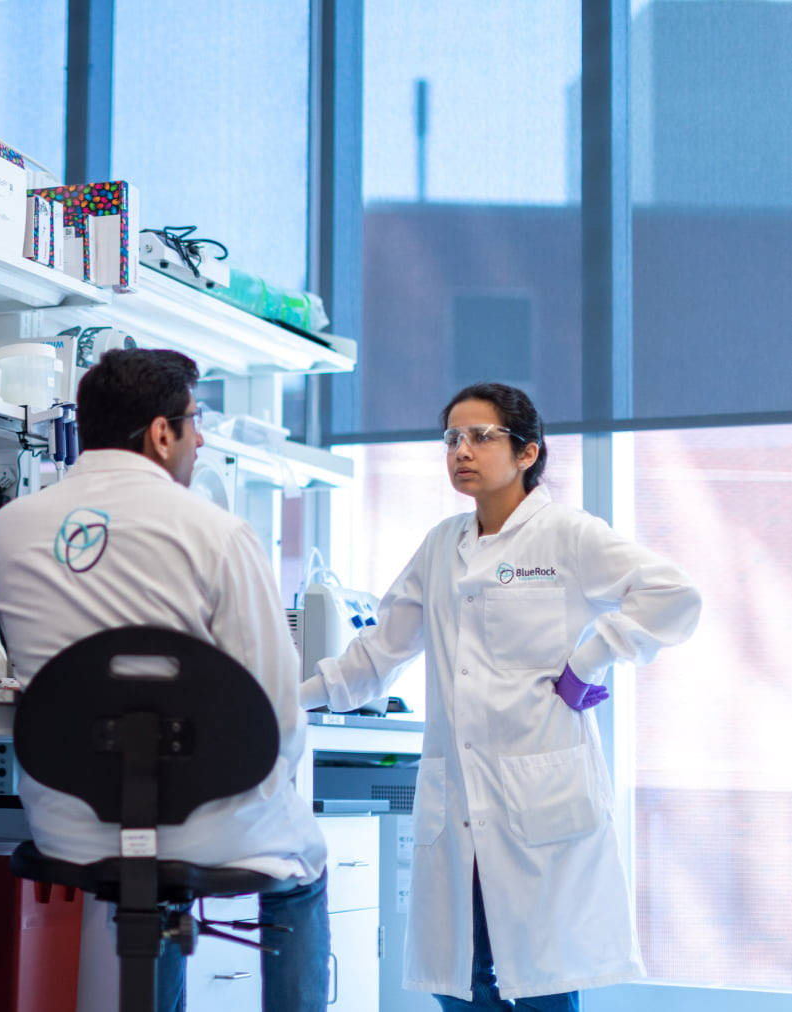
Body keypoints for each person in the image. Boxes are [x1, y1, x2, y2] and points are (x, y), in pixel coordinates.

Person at [299, 382, 701, 1010]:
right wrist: (289, 698)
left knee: (540, 986)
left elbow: (674, 595)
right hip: (458, 794)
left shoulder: (566, 534)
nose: (462, 450)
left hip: (537, 795)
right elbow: (379, 651)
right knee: (460, 985)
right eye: (452, 438)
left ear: (527, 453)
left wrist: (590, 660)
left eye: (481, 436)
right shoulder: (441, 544)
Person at [0, 348, 329, 1012]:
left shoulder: (9, 528)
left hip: (71, 822)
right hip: (206, 823)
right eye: (194, 421)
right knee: (301, 867)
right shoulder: (219, 531)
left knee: (145, 876)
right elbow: (276, 712)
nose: (199, 439)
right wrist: (261, 788)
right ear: (160, 432)